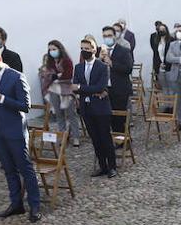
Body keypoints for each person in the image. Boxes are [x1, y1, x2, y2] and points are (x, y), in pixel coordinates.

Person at [0, 44, 41, 223]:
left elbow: (25, 106)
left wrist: (0, 98)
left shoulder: (16, 77)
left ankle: (35, 205)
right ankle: (16, 203)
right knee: (9, 170)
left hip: (15, 129)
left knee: (25, 168)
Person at [74, 35, 116, 180]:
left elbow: (101, 86)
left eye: (87, 48)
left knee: (105, 138)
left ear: (93, 49)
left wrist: (82, 87)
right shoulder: (78, 67)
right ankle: (102, 166)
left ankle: (112, 167)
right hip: (86, 107)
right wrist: (84, 89)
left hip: (101, 108)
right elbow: (75, 87)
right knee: (95, 139)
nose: (84, 51)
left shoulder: (102, 67)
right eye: (81, 49)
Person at [39, 38, 78, 147]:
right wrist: (55, 76)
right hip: (53, 90)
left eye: (54, 49)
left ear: (59, 49)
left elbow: (68, 76)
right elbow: (46, 75)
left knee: (71, 114)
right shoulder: (50, 62)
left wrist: (55, 76)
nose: (52, 51)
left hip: (66, 89)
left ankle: (75, 137)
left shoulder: (67, 61)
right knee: (59, 114)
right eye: (50, 49)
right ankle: (62, 137)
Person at [100, 25, 134, 135]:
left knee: (119, 117)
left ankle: (123, 140)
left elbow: (128, 68)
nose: (107, 38)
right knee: (109, 116)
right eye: (105, 36)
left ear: (115, 36)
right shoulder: (101, 51)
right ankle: (116, 138)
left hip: (120, 89)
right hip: (106, 88)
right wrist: (99, 60)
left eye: (109, 35)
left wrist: (112, 63)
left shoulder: (123, 50)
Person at [149, 19, 171, 94]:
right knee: (163, 86)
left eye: (163, 29)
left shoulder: (171, 40)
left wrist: (165, 63)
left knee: (170, 86)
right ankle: (166, 103)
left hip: (169, 66)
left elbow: (171, 53)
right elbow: (155, 52)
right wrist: (159, 63)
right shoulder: (156, 40)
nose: (161, 31)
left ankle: (172, 104)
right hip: (159, 65)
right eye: (160, 30)